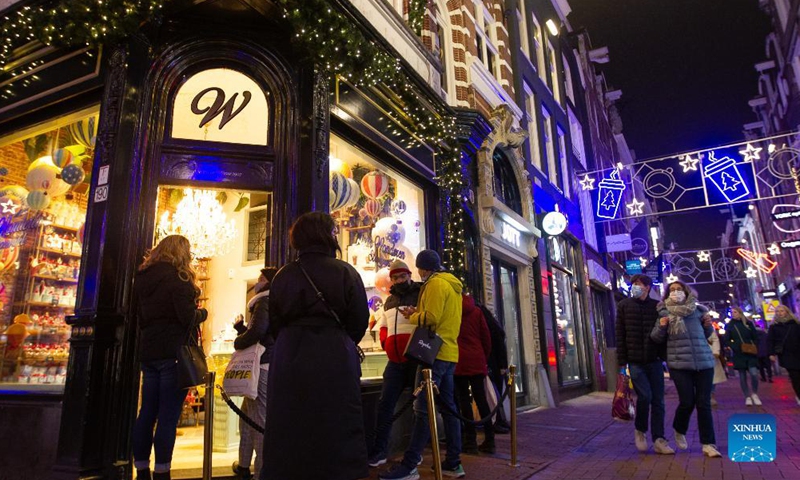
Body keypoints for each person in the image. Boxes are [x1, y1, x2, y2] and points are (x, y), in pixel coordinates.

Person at [262, 212, 369, 480]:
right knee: (337, 425)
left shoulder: (283, 275)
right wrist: (338, 340)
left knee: (290, 425)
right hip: (335, 357)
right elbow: (359, 321)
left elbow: (274, 322)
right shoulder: (346, 272)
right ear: (327, 236)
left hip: (290, 355)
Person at [380, 249, 464, 480]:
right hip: (449, 352)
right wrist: (420, 312)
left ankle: (409, 466)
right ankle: (453, 463)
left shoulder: (435, 284)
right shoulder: (453, 285)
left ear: (422, 268)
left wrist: (413, 315)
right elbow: (443, 315)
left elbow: (431, 318)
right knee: (448, 408)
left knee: (422, 410)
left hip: (433, 353)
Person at [132, 235, 208, 480]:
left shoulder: (142, 278)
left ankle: (141, 468)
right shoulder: (180, 279)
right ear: (181, 253)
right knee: (168, 416)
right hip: (174, 354)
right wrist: (203, 313)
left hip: (149, 351)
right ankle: (162, 472)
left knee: (147, 413)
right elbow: (187, 318)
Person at [651, 280, 720, 458]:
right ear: (668, 294)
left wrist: (707, 325)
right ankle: (679, 429)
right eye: (672, 290)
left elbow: (706, 335)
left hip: (703, 361)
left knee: (703, 403)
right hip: (680, 363)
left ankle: (708, 443)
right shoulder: (663, 312)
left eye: (679, 289)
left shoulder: (699, 311)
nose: (676, 292)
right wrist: (662, 326)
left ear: (686, 292)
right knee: (687, 401)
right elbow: (656, 338)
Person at [367, 259, 422, 468]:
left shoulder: (420, 294)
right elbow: (383, 324)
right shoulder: (389, 301)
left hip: (415, 360)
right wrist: (385, 342)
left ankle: (415, 451)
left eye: (402, 276)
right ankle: (380, 450)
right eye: (396, 277)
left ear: (409, 275)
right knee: (385, 405)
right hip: (395, 361)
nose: (399, 280)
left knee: (420, 408)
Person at [614, 274, 673, 455]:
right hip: (635, 361)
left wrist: (663, 356)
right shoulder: (624, 306)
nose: (635, 287)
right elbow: (620, 335)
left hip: (654, 360)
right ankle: (640, 430)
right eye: (633, 284)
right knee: (645, 396)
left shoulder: (655, 307)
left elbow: (663, 335)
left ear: (647, 287)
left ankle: (659, 438)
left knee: (658, 401)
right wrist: (622, 362)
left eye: (638, 284)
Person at [231, 267, 278, 479]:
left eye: (261, 277)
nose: (257, 281)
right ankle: (243, 465)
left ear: (268, 282)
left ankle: (261, 471)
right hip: (264, 363)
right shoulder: (269, 302)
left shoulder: (264, 301)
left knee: (257, 419)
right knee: (247, 417)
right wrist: (241, 328)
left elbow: (259, 332)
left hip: (262, 366)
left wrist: (239, 340)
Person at [454, 293, 494, 455]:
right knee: (481, 400)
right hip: (476, 359)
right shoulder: (477, 311)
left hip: (458, 360)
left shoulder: (452, 310)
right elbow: (486, 337)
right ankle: (490, 440)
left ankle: (470, 440)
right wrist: (483, 357)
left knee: (464, 401)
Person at [478, 302, 510, 433]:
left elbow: (491, 343)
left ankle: (496, 421)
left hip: (491, 364)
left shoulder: (487, 326)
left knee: (492, 394)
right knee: (496, 394)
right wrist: (503, 364)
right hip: (496, 364)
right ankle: (500, 420)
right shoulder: (494, 325)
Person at [727, 307, 761, 406]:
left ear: (740, 313)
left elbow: (755, 336)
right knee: (742, 376)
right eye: (732, 312)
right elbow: (727, 339)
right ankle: (747, 396)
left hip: (750, 352)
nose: (733, 314)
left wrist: (754, 344)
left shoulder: (748, 323)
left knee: (754, 373)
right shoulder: (730, 325)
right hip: (739, 353)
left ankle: (754, 393)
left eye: (735, 312)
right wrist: (734, 346)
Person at [768, 305, 800, 405]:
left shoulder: (795, 324)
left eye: (781, 311)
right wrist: (771, 353)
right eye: (777, 311)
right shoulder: (774, 327)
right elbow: (770, 341)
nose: (779, 313)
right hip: (786, 354)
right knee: (795, 376)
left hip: (798, 352)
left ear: (787, 312)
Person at [707, 329, 726, 406]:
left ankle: (711, 395)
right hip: (695, 355)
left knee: (712, 376)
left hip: (710, 355)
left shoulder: (706, 326)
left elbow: (714, 339)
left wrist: (715, 352)